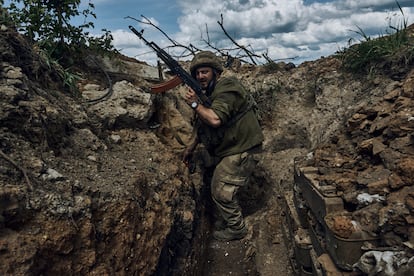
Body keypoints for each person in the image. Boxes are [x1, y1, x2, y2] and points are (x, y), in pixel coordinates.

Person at [182, 51, 264, 242]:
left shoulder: (227, 87)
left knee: (218, 188)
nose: (200, 76)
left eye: (205, 72)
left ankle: (237, 228)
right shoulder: (209, 93)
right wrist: (190, 149)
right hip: (231, 146)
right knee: (212, 173)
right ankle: (225, 215)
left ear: (215, 73)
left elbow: (215, 119)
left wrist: (194, 104)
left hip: (243, 148)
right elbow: (201, 124)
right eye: (197, 73)